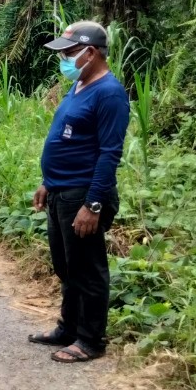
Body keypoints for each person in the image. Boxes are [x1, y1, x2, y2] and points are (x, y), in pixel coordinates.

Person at [29, 21, 130, 363]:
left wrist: (94, 203)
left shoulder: (109, 93)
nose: (65, 59)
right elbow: (67, 140)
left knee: (87, 269)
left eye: (69, 53)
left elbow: (109, 153)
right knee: (66, 266)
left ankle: (90, 339)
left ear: (91, 53)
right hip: (61, 191)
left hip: (84, 195)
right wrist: (48, 182)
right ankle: (68, 327)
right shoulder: (80, 86)